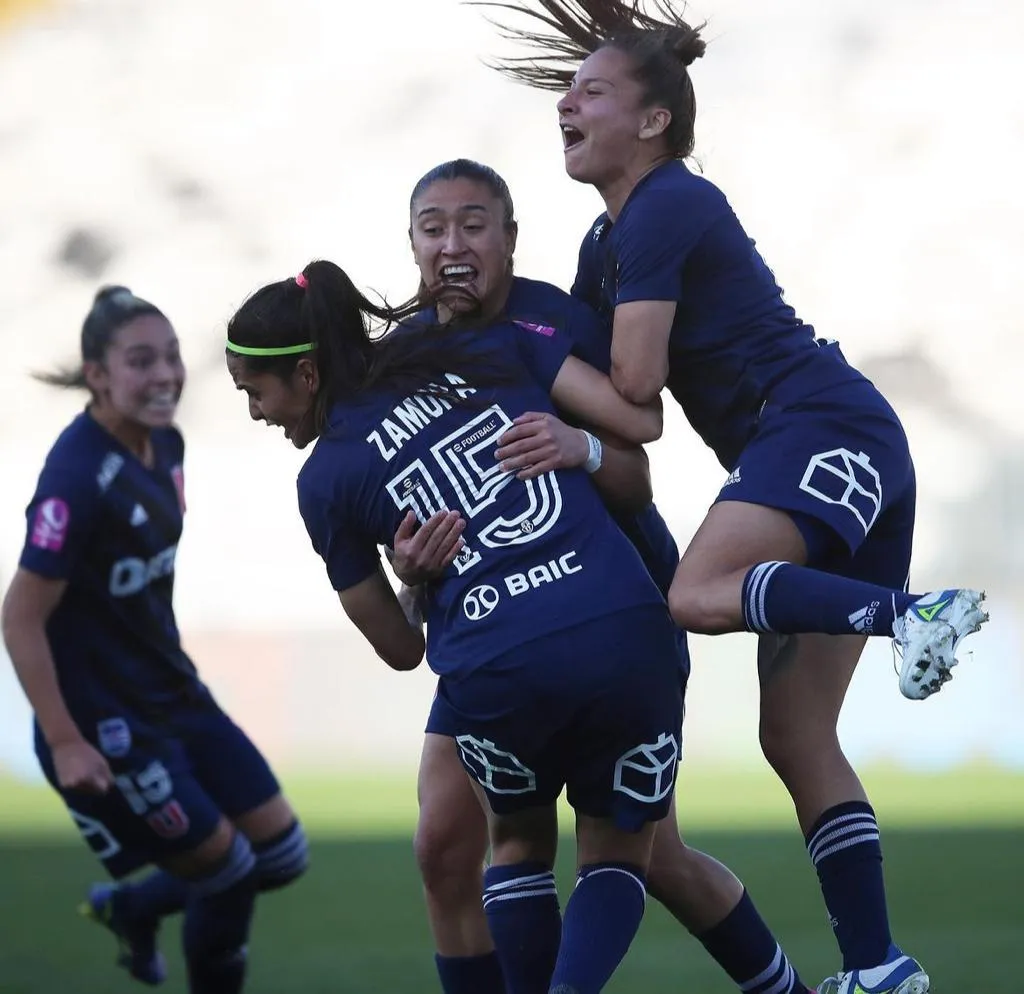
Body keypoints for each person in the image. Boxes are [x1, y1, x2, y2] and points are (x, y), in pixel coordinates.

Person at [474, 4, 989, 993]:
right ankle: (878, 966)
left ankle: (912, 612)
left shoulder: (665, 204)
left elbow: (628, 390)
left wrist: (523, 343)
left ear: (656, 121)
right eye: (566, 90)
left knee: (698, 589)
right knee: (792, 736)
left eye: (591, 90)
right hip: (840, 443)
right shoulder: (604, 240)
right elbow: (620, 419)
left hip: (816, 425)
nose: (565, 104)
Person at [392, 157, 814, 994]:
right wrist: (408, 573)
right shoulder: (400, 359)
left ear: (510, 238)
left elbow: (635, 466)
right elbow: (404, 513)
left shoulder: (554, 322)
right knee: (445, 840)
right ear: (410, 242)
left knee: (651, 853)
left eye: (474, 224)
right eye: (434, 227)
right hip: (483, 626)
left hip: (604, 605)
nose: (454, 244)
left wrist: (576, 444)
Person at [225, 257, 685, 994]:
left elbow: (402, 647)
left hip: (498, 663)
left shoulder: (326, 480)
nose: (254, 411)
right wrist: (584, 448)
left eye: (254, 391)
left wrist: (412, 582)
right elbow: (640, 428)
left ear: (307, 375)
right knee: (561, 852)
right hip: (624, 619)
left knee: (526, 846)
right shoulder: (464, 349)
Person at [1, 287, 308, 993]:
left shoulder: (167, 444)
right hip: (107, 722)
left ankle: (133, 908)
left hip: (174, 693)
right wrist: (66, 738)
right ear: (97, 374)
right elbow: (20, 616)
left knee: (283, 856)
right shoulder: (76, 478)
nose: (166, 374)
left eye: (171, 357)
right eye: (141, 361)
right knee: (228, 873)